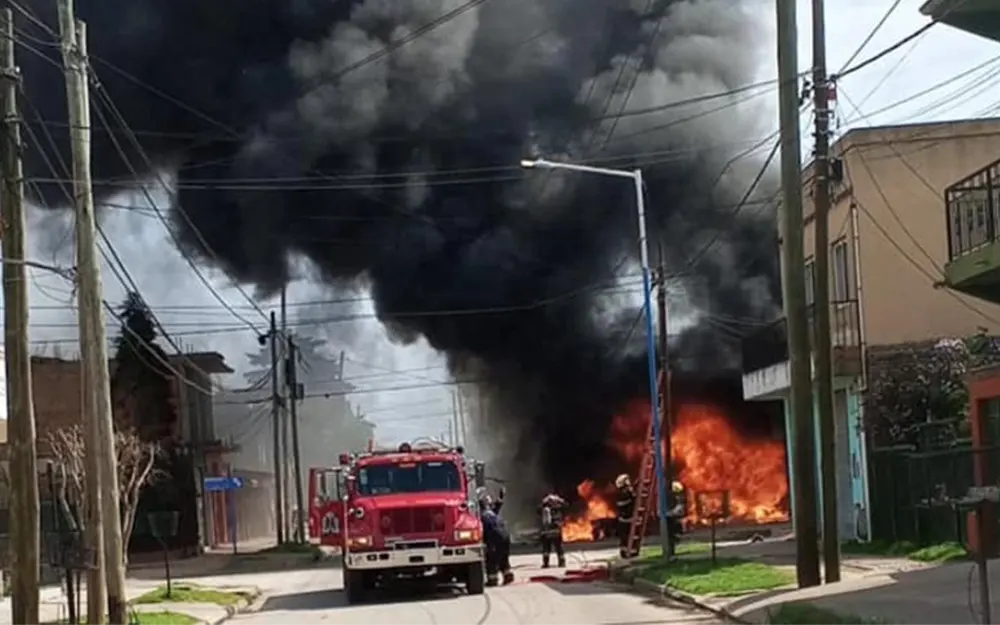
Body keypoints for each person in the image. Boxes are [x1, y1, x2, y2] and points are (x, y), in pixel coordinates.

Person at [479, 489, 514, 586]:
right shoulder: (493, 512)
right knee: (503, 556)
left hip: (495, 537)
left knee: (491, 558)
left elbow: (484, 533)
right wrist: (501, 495)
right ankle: (508, 575)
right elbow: (499, 504)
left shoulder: (482, 516)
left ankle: (492, 580)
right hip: (505, 535)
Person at [537, 491, 567, 568]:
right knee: (559, 547)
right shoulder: (558, 509)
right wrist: (559, 500)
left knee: (546, 549)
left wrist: (544, 501)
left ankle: (546, 563)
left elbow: (538, 510)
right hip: (556, 532)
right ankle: (562, 562)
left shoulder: (544, 509)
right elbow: (565, 505)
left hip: (546, 533)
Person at [614, 473, 637, 558]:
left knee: (629, 536)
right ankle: (625, 553)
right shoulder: (621, 493)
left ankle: (630, 551)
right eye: (627, 480)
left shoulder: (628, 491)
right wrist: (632, 497)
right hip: (625, 519)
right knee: (625, 538)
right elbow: (622, 504)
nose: (629, 482)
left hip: (628, 518)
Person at [667, 480, 686, 555]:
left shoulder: (678, 498)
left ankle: (675, 541)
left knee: (673, 534)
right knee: (671, 535)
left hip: (674, 517)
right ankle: (671, 551)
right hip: (672, 517)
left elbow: (679, 507)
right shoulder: (674, 497)